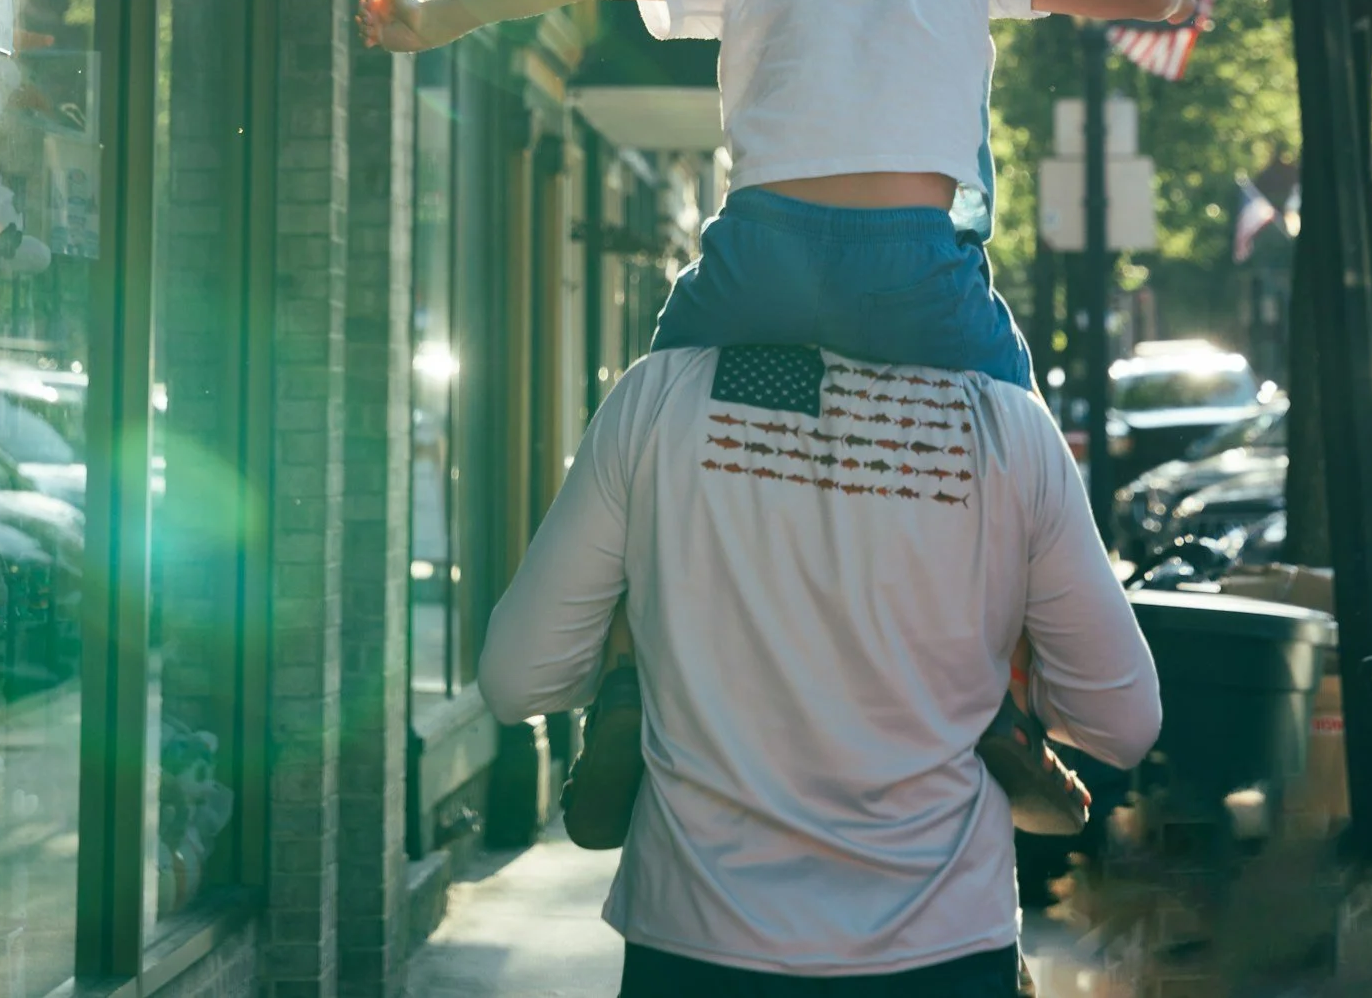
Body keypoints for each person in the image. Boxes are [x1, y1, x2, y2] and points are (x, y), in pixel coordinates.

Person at [355, 0, 1195, 387]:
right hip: (920, 271)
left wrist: (432, 20)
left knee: (654, 403)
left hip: (765, 258)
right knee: (1022, 439)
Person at [477, 335, 1163, 991]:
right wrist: (979, 667)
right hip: (940, 940)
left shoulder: (659, 396)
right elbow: (1121, 723)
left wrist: (655, 647)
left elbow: (518, 680)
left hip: (698, 933)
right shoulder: (1005, 424)